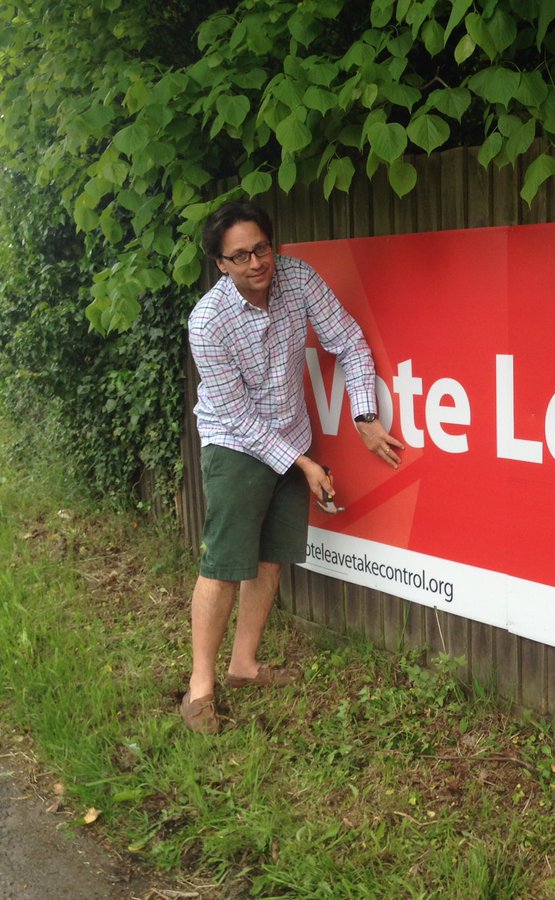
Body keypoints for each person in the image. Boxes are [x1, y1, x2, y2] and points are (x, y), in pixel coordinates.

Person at [181, 199, 404, 734]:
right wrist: (303, 463)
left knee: (271, 559)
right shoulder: (207, 323)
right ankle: (199, 688)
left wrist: (365, 414)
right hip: (235, 443)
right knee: (224, 565)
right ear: (221, 265)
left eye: (262, 248)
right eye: (240, 256)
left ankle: (245, 666)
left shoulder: (298, 278)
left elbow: (348, 340)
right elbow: (235, 413)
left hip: (291, 433)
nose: (257, 262)